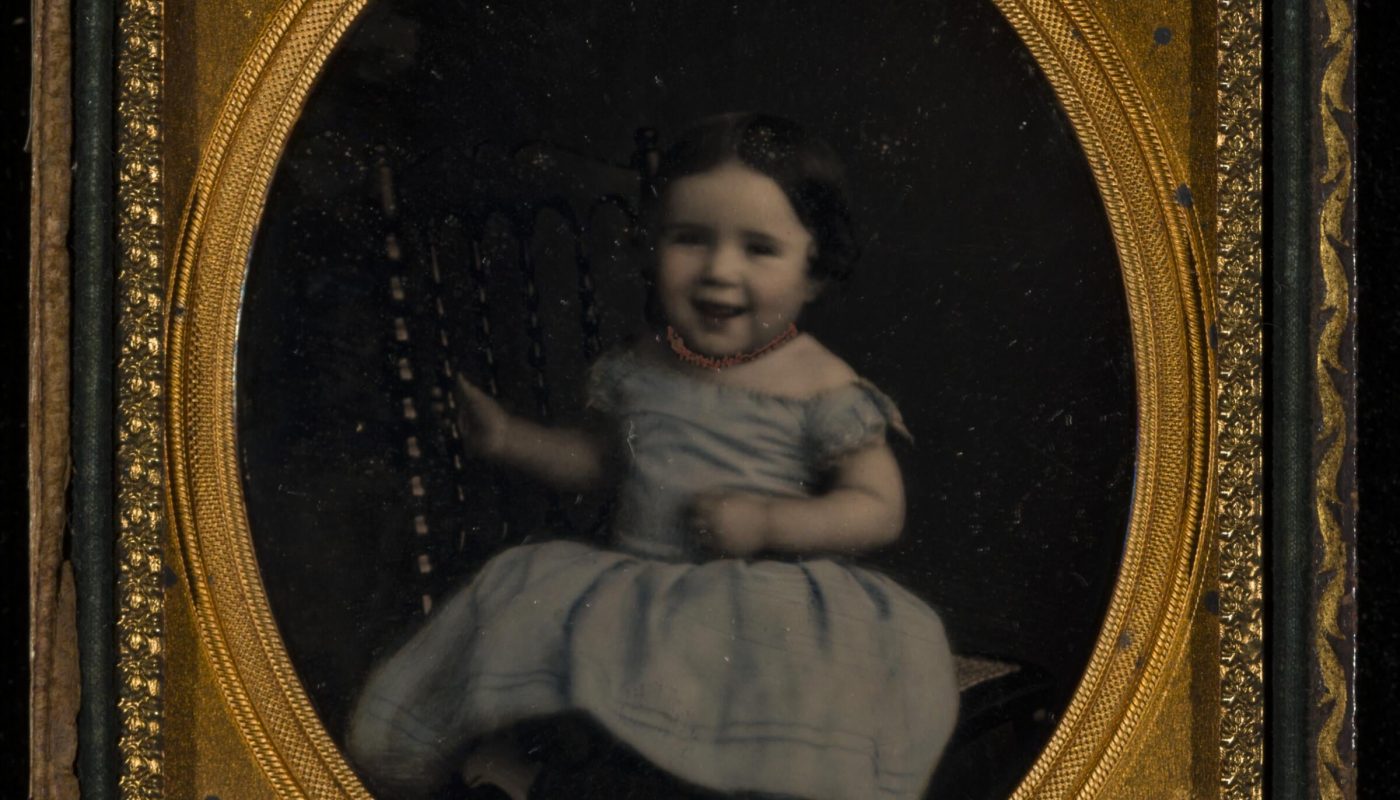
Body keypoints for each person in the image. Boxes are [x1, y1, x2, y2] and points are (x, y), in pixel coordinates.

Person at [346, 112, 959, 800]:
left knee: (770, 696)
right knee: (534, 604)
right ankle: (526, 769)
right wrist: (510, 438)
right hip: (640, 589)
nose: (719, 271)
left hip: (756, 603)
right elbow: (599, 463)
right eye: (690, 239)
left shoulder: (821, 384)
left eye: (759, 248)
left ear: (814, 271)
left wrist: (768, 523)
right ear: (652, 244)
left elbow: (878, 508)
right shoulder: (642, 367)